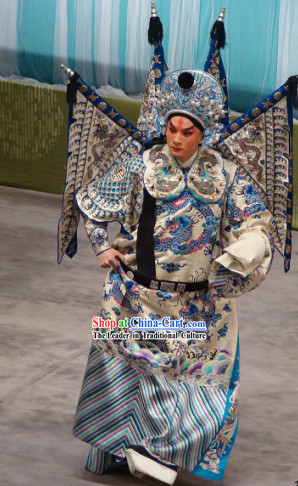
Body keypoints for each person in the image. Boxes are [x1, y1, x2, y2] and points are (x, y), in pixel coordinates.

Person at [72, 69, 275, 484]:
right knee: (124, 369)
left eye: (187, 131)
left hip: (197, 304)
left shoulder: (226, 176)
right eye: (171, 128)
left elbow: (257, 225)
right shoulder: (141, 166)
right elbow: (91, 205)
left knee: (192, 379)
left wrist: (241, 254)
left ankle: (156, 453)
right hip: (134, 295)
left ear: (203, 133)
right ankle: (121, 449)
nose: (177, 137)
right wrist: (101, 245)